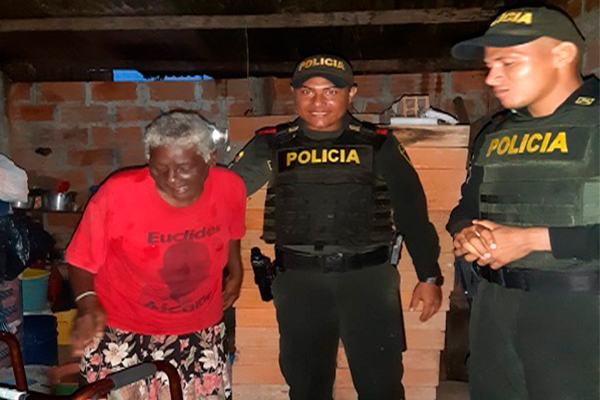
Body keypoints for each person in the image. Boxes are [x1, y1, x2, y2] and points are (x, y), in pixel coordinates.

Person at [230, 54, 443, 400]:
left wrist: (429, 275)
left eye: (330, 92)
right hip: (299, 283)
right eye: (307, 91)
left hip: (368, 281)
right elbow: (225, 194)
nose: (318, 103)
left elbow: (412, 212)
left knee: (382, 386)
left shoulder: (378, 144)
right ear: (294, 93)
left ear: (351, 93)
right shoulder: (273, 143)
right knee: (306, 387)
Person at [448, 6, 599, 400]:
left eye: (508, 63)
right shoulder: (496, 133)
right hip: (495, 308)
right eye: (489, 65)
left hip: (580, 310)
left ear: (562, 55)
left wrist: (532, 239)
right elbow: (465, 209)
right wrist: (466, 233)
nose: (491, 77)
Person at [66, 110, 246, 400]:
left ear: (210, 160)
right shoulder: (119, 194)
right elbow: (79, 260)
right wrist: (87, 303)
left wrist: (236, 270)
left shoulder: (230, 187)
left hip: (199, 331)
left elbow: (233, 232)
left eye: (184, 167)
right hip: (123, 332)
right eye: (160, 168)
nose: (171, 178)